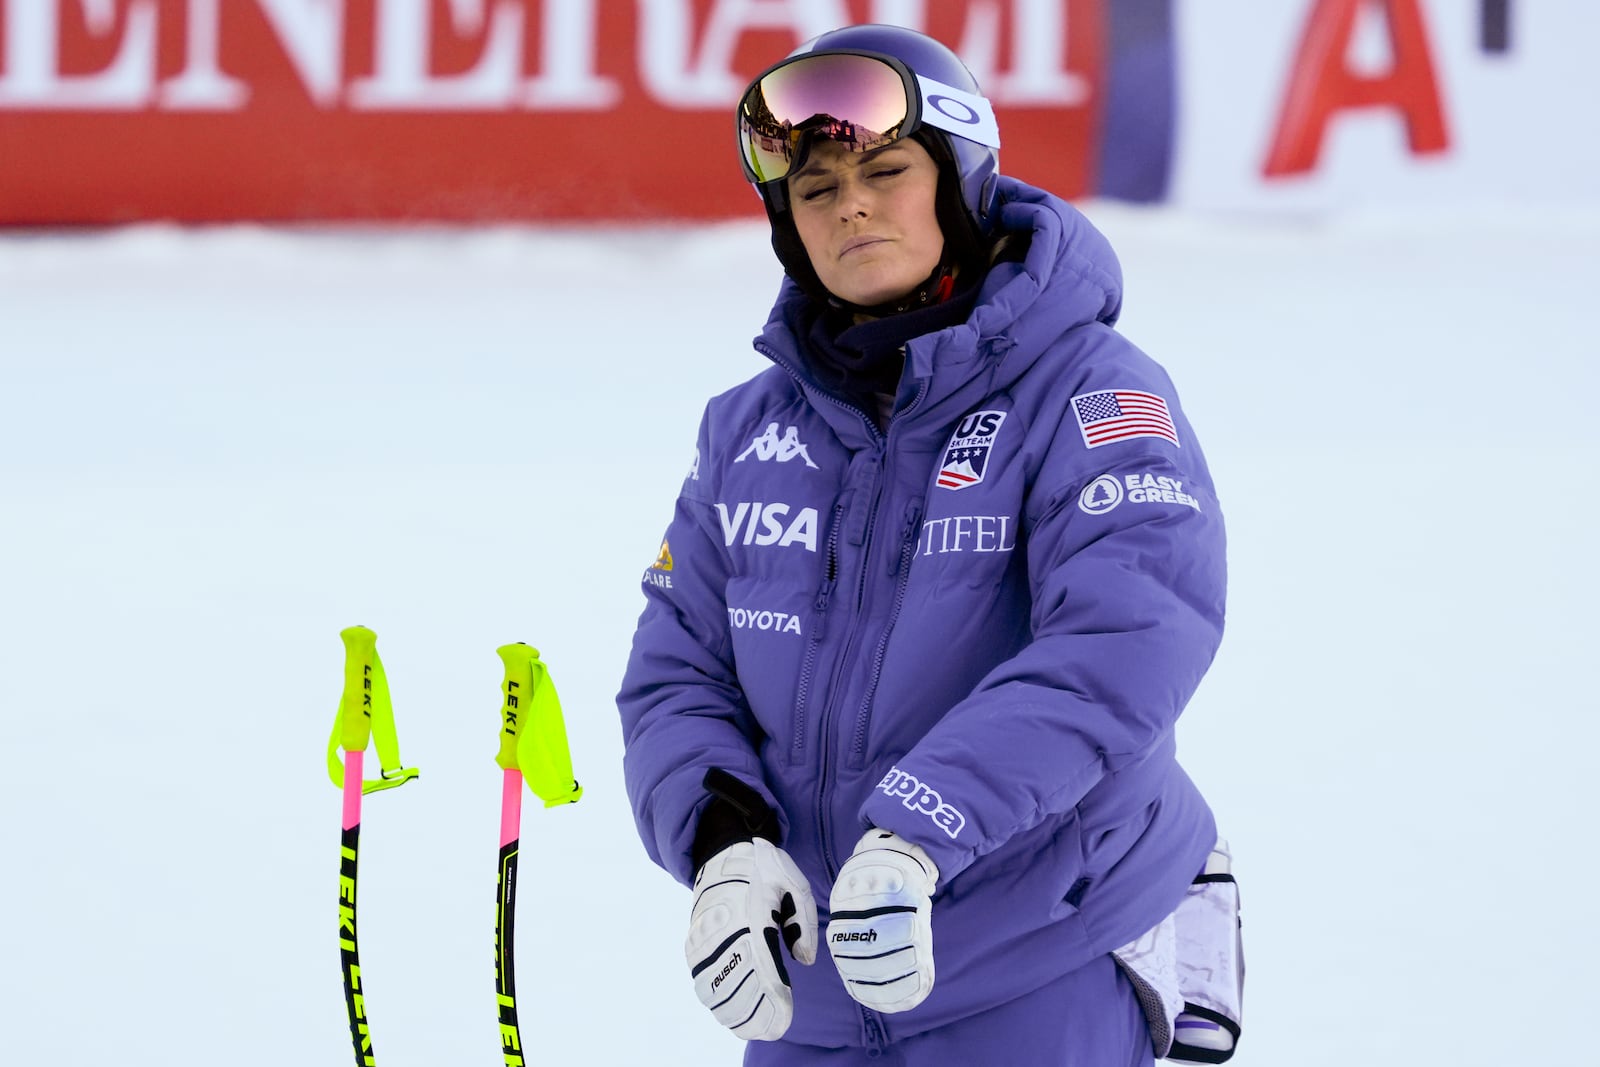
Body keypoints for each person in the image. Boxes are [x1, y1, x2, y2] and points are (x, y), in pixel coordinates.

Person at [617, 24, 1241, 1066]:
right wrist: (721, 839)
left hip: (1038, 964)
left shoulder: (1090, 390)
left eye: (886, 170)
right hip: (811, 997)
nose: (849, 203)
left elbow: (1127, 641)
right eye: (814, 191)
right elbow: (677, 666)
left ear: (961, 180)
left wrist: (917, 831)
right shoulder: (744, 430)